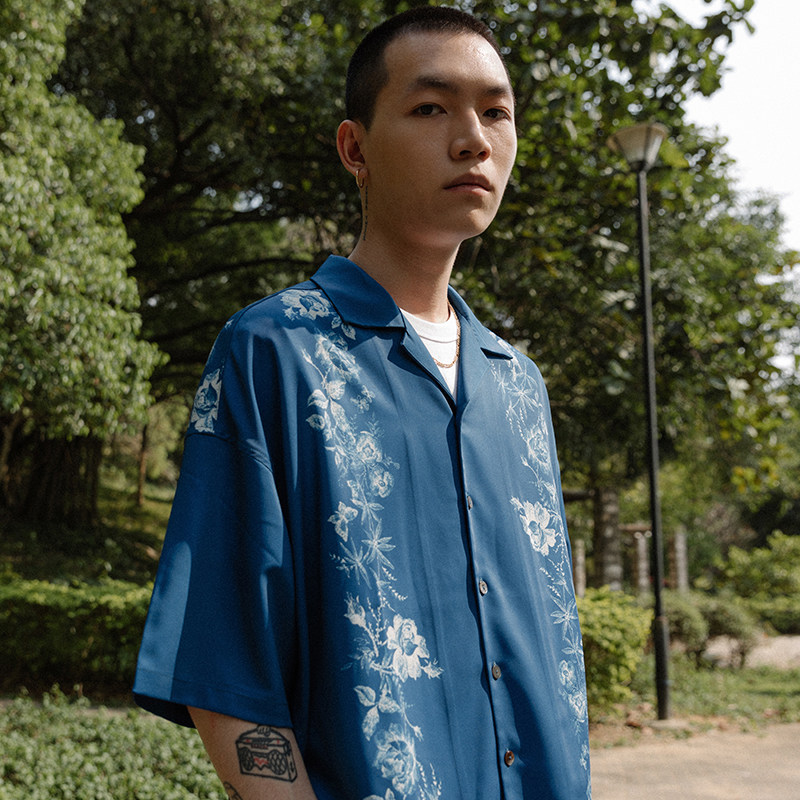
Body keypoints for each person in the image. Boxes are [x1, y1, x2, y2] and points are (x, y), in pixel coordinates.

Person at [133, 6, 592, 800]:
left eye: (496, 111)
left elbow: (553, 655)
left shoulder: (518, 384)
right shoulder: (275, 352)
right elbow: (225, 661)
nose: (473, 139)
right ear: (356, 150)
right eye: (431, 108)